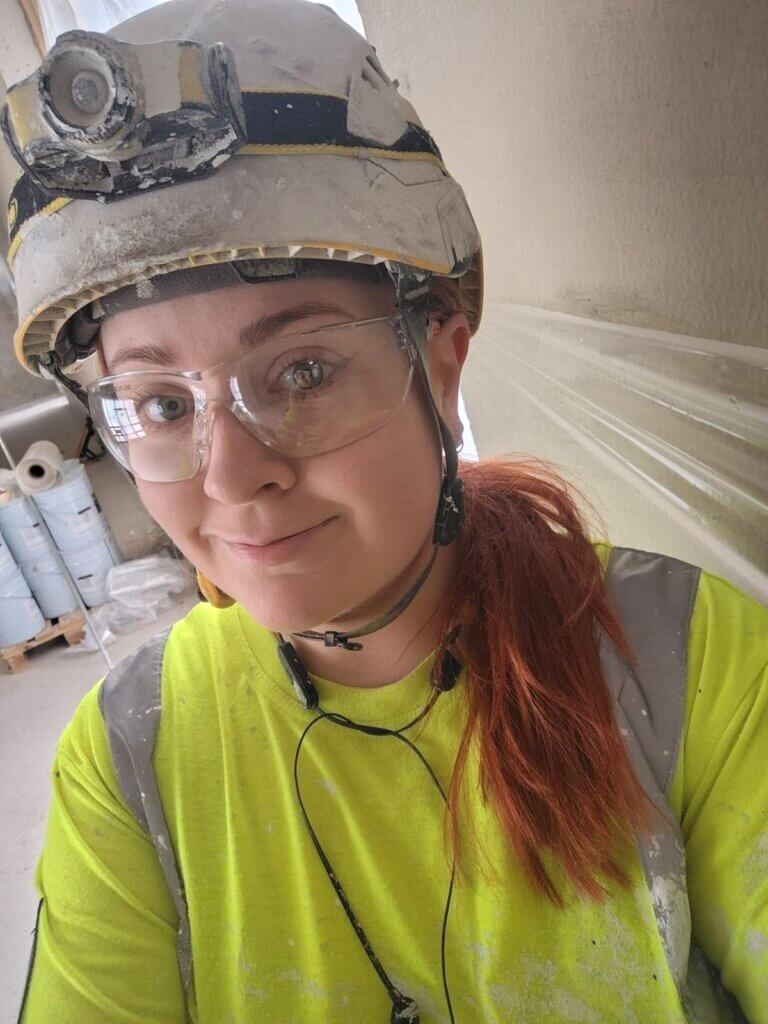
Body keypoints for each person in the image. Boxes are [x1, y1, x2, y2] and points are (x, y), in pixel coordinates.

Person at [3, 1, 766, 1022]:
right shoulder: (132, 756)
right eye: (162, 405)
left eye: (302, 371)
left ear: (440, 367)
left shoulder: (689, 663)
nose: (231, 478)